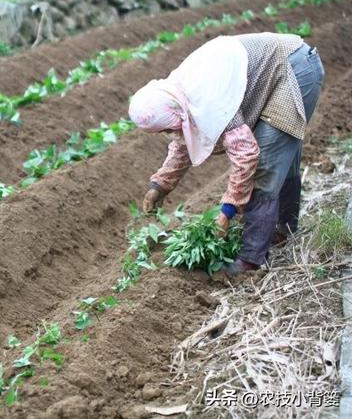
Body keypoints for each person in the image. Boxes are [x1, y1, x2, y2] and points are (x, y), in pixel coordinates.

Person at [128, 32, 325, 276]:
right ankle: (282, 230)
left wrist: (228, 211)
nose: (168, 133)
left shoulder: (210, 99)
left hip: (293, 69)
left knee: (267, 164)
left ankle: (250, 259)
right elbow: (183, 140)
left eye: (167, 128)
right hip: (276, 67)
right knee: (279, 156)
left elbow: (247, 156)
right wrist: (160, 185)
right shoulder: (177, 95)